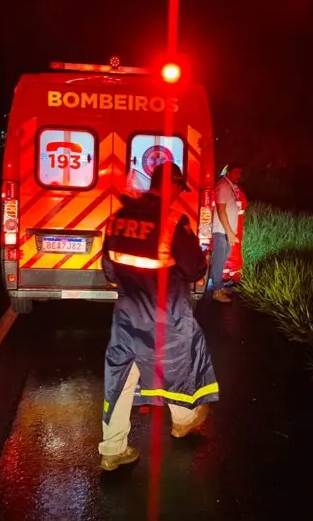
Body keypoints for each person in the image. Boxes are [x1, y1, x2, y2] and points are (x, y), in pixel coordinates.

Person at [98, 161, 220, 471]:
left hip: (127, 313)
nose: (180, 195)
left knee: (121, 377)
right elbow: (194, 270)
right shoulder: (173, 221)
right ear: (173, 185)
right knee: (179, 362)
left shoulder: (117, 218)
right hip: (166, 311)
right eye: (180, 189)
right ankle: (184, 419)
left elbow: (109, 270)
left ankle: (112, 449)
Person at [210, 162, 243, 303]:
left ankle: (219, 287)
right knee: (218, 261)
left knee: (222, 260)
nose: (239, 176)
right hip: (222, 231)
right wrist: (229, 232)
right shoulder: (223, 186)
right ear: (228, 172)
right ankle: (217, 292)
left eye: (240, 174)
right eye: (236, 173)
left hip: (226, 232)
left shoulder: (228, 187)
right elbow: (221, 210)